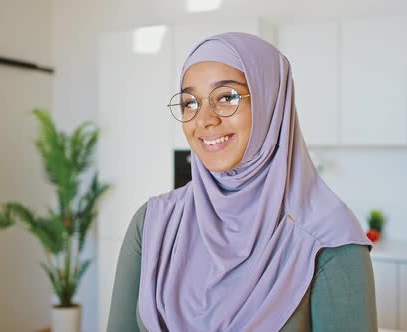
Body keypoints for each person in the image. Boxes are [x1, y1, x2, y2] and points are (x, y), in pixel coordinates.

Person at [107, 32, 377, 332]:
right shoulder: (153, 224)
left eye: (226, 97)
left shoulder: (328, 240)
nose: (204, 119)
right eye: (190, 103)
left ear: (270, 102)